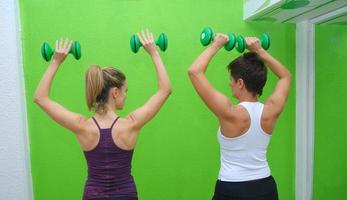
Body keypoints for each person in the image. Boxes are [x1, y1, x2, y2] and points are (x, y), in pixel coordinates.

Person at [34, 29, 172, 200]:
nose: (126, 95)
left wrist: (56, 60)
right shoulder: (131, 124)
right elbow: (165, 89)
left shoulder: (81, 126)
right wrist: (153, 52)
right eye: (125, 91)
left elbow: (40, 97)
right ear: (115, 92)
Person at [188, 34, 291, 200]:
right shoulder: (271, 110)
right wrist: (260, 51)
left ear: (241, 83)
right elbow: (285, 76)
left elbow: (194, 71)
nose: (230, 84)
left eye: (232, 80)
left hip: (232, 189)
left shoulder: (230, 113)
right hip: (265, 187)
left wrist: (217, 44)